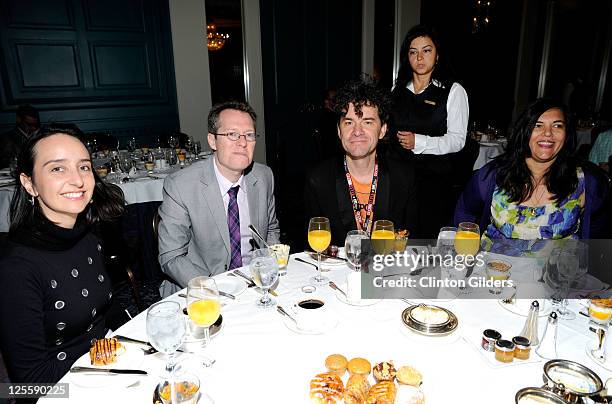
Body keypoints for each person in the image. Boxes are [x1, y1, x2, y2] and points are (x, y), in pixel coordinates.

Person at [0, 124, 125, 387]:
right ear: (29, 184)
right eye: (58, 168)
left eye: (84, 166)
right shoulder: (16, 268)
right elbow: (31, 383)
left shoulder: (89, 237)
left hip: (106, 366)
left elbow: (104, 314)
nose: (78, 180)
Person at [158, 101, 281, 297]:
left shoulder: (264, 176)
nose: (243, 143)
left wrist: (266, 267)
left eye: (249, 135)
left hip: (254, 284)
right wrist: (213, 289)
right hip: (202, 287)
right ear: (212, 140)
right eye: (232, 134)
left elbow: (271, 230)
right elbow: (171, 256)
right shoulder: (181, 185)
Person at [454, 99, 611, 253]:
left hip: (556, 276)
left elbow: (597, 233)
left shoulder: (586, 182)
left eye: (557, 126)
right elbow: (464, 214)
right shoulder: (492, 176)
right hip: (495, 274)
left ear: (567, 133)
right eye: (538, 125)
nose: (548, 133)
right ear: (524, 131)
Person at [304, 78, 418, 246]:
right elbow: (313, 249)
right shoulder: (318, 180)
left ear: (383, 130)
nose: (357, 131)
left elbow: (413, 243)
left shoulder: (405, 178)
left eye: (367, 122)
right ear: (339, 131)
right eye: (349, 122)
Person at [389, 24, 475, 238]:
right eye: (413, 52)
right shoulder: (397, 90)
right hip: (398, 175)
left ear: (437, 55)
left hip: (433, 180)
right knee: (396, 235)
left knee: (425, 239)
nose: (419, 57)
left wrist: (420, 142)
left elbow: (457, 141)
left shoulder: (453, 91)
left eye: (426, 50)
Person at [0, 104, 40, 169]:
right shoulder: (7, 139)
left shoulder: (39, 136)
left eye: (35, 125)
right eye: (29, 124)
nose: (33, 128)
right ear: (19, 120)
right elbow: (6, 163)